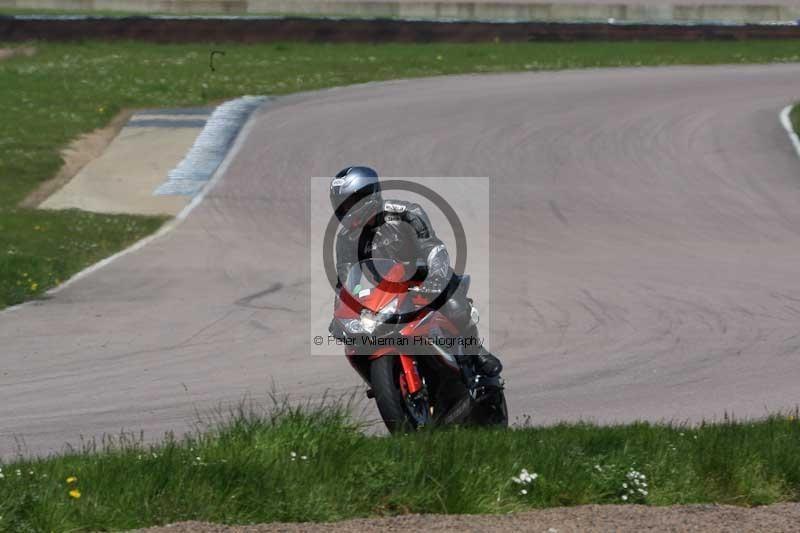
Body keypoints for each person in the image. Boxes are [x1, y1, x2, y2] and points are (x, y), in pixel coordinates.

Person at [328, 165, 502, 377]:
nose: (346, 211)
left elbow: (433, 247)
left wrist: (436, 278)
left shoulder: (407, 213)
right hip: (385, 292)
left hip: (425, 278)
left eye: (350, 203)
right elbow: (345, 281)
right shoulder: (346, 239)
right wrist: (340, 313)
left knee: (456, 308)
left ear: (369, 195)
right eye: (341, 206)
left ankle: (477, 353)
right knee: (358, 342)